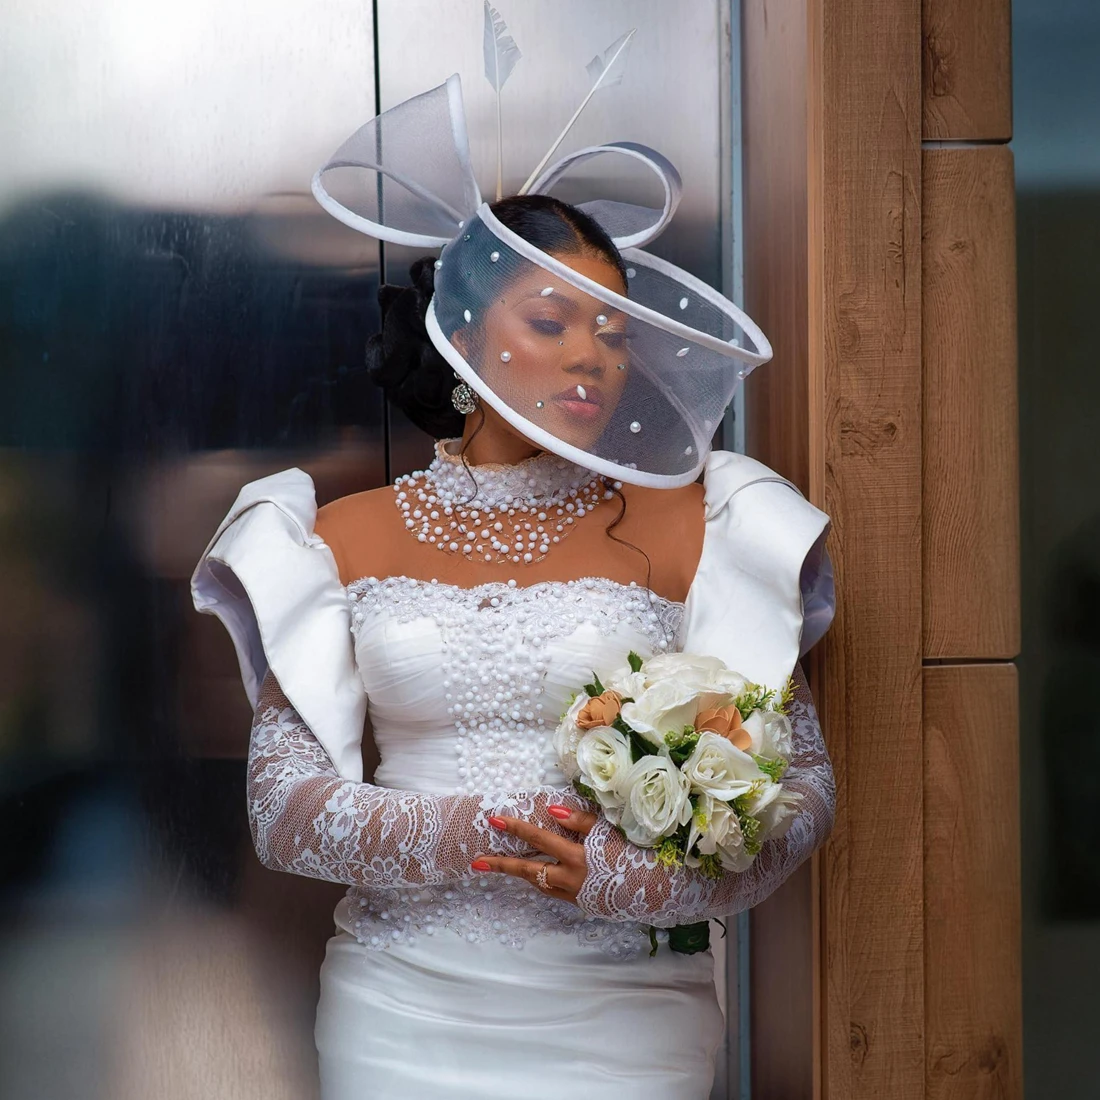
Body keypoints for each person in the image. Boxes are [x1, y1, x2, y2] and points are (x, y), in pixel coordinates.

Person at [192, 74, 836, 1099]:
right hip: (401, 1004)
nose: (591, 356)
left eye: (614, 331)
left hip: (623, 1014)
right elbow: (281, 809)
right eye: (552, 320)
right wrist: (486, 831)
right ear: (463, 333)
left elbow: (802, 783)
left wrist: (646, 879)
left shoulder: (696, 518)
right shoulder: (337, 533)